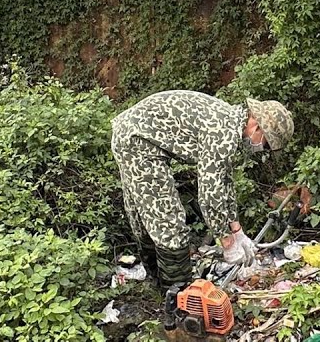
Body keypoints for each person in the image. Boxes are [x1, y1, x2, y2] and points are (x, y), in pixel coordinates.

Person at [110, 90, 294, 295]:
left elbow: (224, 182)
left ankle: (159, 288)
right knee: (168, 224)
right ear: (258, 126)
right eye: (266, 144)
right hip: (137, 142)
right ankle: (176, 297)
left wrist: (237, 230)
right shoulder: (222, 133)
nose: (262, 149)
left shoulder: (230, 123)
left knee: (145, 217)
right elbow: (209, 195)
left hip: (133, 135)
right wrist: (226, 242)